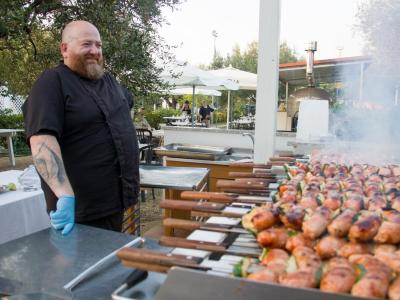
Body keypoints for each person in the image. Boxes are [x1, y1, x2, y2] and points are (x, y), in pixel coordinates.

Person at [22, 20, 140, 235]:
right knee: (83, 267)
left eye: (99, 45)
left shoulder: (110, 82)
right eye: (86, 44)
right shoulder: (51, 82)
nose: (94, 51)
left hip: (115, 200)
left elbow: (124, 108)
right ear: (64, 49)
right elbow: (41, 140)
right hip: (80, 209)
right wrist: (64, 194)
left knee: (109, 264)